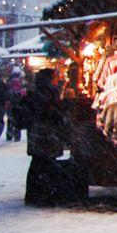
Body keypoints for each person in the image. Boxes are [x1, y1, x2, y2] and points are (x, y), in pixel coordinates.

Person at [14, 69, 72, 206]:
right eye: (55, 77)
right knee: (45, 164)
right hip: (46, 132)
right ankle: (44, 195)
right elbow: (52, 112)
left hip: (37, 131)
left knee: (38, 163)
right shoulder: (49, 93)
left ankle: (35, 194)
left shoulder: (36, 92)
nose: (58, 79)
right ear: (50, 79)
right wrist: (64, 106)